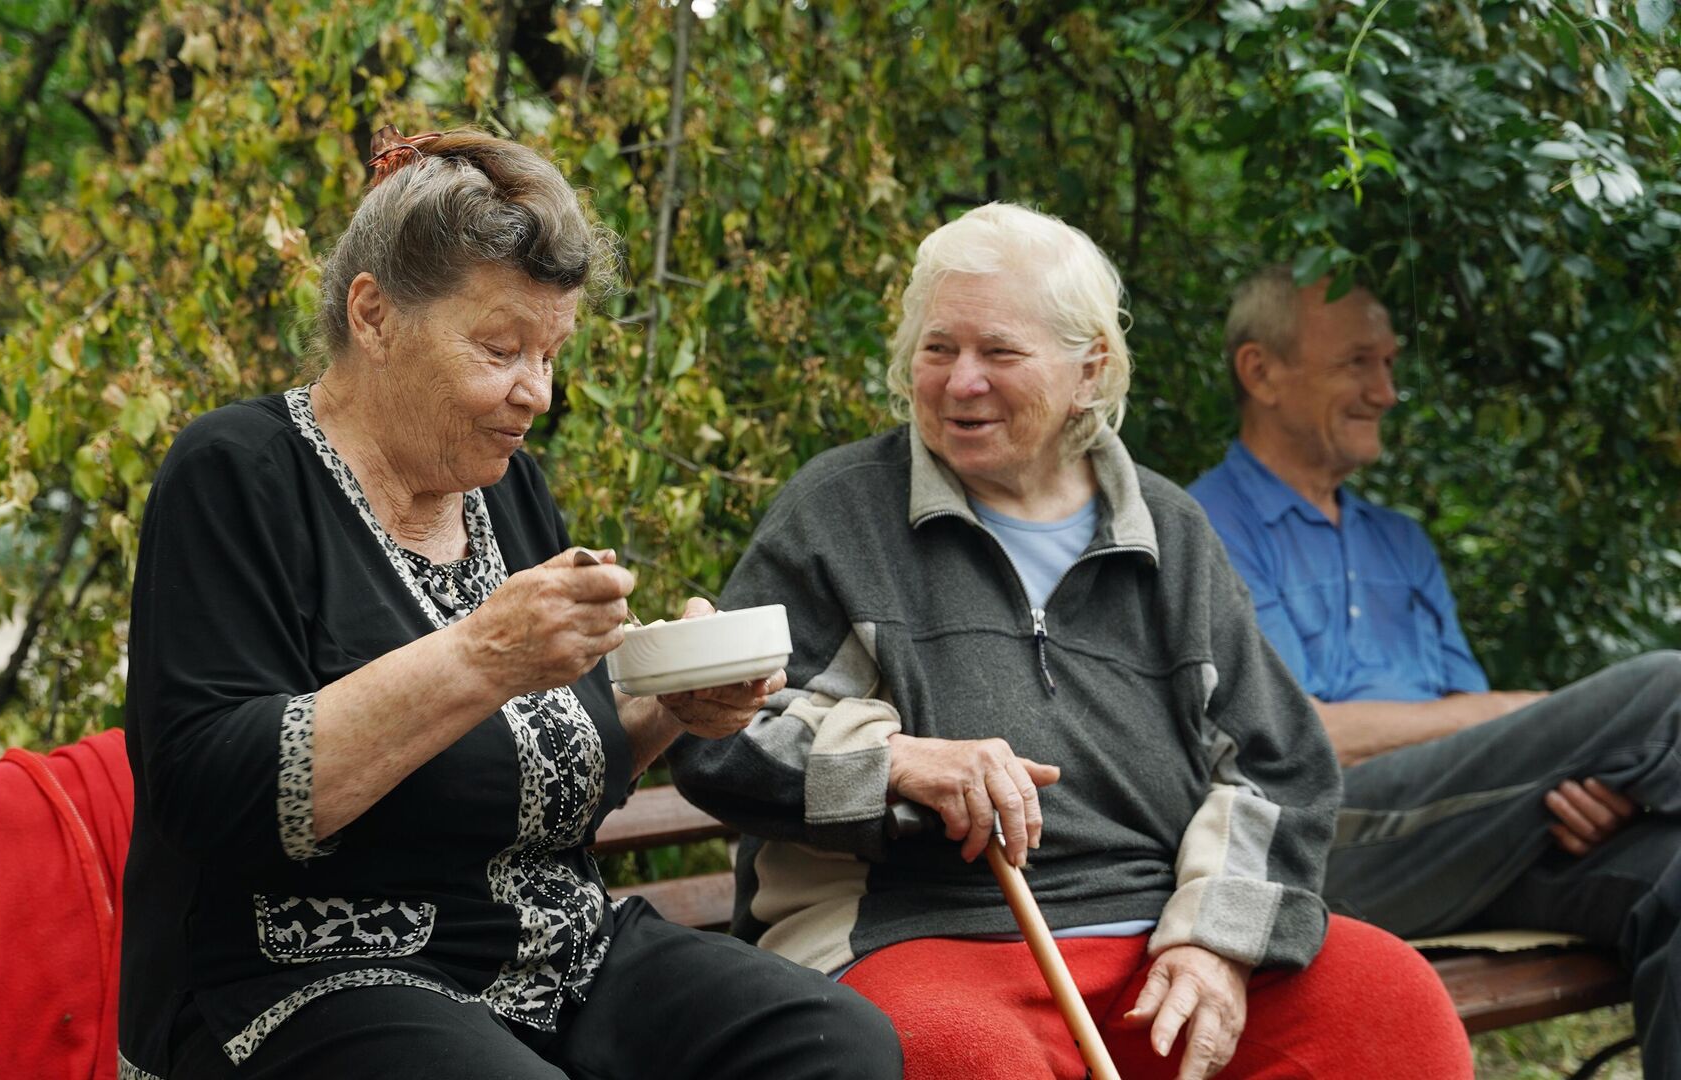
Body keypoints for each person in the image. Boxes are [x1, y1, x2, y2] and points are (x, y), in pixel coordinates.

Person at [114, 127, 902, 1080]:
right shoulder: (237, 474)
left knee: (835, 1046)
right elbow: (207, 794)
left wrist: (667, 709)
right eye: (500, 348)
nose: (536, 392)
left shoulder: (507, 487)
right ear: (373, 314)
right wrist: (483, 655)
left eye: (552, 351)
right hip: (309, 977)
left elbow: (543, 781)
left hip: (549, 964)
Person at [669, 204, 1472, 1080]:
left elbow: (1277, 765)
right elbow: (724, 738)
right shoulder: (841, 513)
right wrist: (899, 763)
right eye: (938, 350)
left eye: (999, 353)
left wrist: (1216, 943)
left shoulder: (1168, 531)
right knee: (955, 1058)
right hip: (916, 932)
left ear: (1089, 369)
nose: (959, 381)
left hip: (1157, 937)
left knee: (1388, 1006)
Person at [1189, 264, 1681, 1074]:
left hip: (1465, 842)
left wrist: (1583, 784)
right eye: (1358, 363)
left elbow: (1485, 738)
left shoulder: (1400, 543)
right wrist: (1541, 723)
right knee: (1663, 692)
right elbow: (1298, 744)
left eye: (1390, 363)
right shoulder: (1204, 527)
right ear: (1260, 371)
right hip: (1315, 846)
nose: (1386, 390)